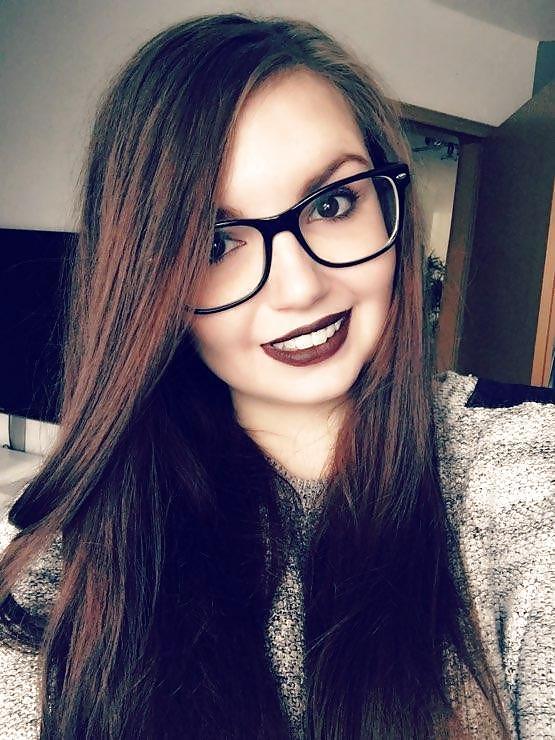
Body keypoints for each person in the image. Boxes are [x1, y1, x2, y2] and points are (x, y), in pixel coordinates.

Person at [0, 11, 553, 739]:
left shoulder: (526, 470)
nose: (299, 288)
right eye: (214, 241)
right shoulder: (70, 564)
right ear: (145, 282)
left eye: (332, 203)